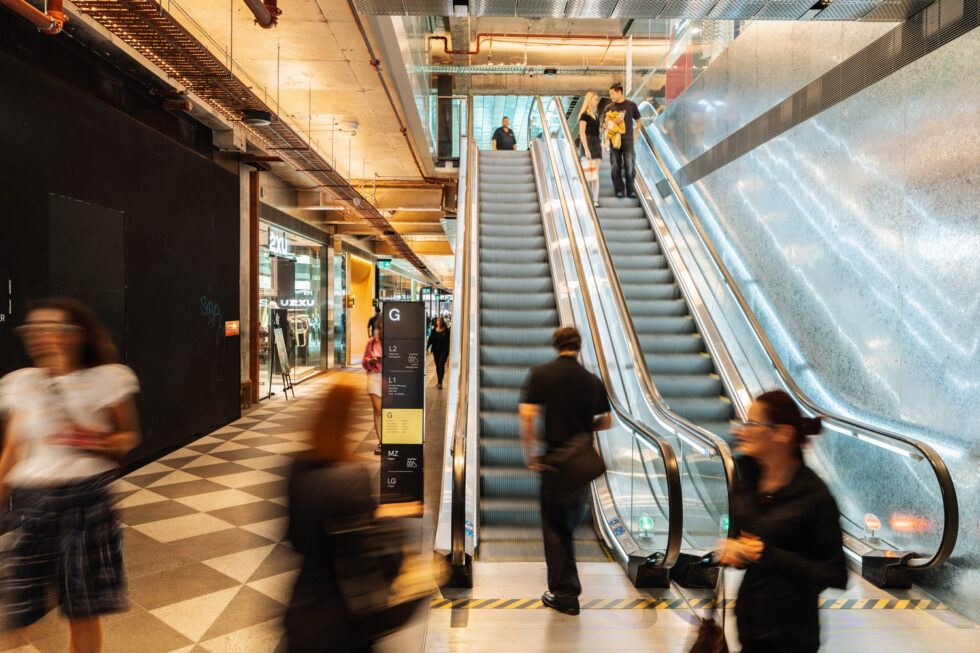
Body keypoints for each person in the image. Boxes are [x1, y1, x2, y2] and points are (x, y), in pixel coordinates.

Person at [0, 298, 140, 651]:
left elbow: (128, 437)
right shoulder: (21, 384)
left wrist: (97, 439)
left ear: (77, 335)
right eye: (34, 329)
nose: (43, 337)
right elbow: (12, 451)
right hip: (34, 505)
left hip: (86, 502)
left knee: (82, 606)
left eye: (55, 329)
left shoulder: (106, 379)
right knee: (17, 607)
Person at [284, 373, 422, 653]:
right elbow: (370, 553)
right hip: (342, 622)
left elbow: (296, 537)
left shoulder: (297, 468)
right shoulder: (351, 477)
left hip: (302, 609)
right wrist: (392, 522)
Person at [719, 390, 847, 653]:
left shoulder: (814, 496)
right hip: (748, 633)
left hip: (793, 639)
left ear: (784, 433)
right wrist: (734, 551)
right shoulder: (746, 479)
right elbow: (742, 538)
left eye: (754, 424)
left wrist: (769, 555)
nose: (743, 431)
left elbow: (835, 575)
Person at [519, 327, 611, 616]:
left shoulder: (541, 374)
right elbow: (606, 421)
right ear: (579, 347)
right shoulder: (591, 380)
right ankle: (566, 587)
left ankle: (565, 594)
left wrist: (531, 450)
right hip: (581, 463)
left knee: (555, 529)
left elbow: (527, 415)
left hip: (555, 462)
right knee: (567, 526)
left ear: (556, 345)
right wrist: (584, 427)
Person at [603, 81, 642, 199]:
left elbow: (639, 121)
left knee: (629, 165)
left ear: (619, 92)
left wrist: (636, 135)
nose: (611, 97)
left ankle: (631, 190)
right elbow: (604, 125)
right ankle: (619, 190)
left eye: (612, 94)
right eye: (610, 95)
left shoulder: (631, 105)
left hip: (628, 140)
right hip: (614, 140)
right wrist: (615, 122)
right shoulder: (609, 108)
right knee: (615, 165)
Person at [578, 91, 602, 206]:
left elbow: (596, 132)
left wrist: (601, 142)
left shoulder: (596, 115)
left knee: (595, 174)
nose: (597, 101)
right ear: (589, 100)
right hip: (587, 144)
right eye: (595, 99)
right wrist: (586, 149)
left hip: (596, 144)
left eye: (597, 99)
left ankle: (595, 200)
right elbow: (582, 133)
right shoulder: (584, 115)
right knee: (587, 174)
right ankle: (585, 199)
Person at [362, 322, 383, 455]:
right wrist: (371, 361)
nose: (380, 330)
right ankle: (381, 441)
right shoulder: (371, 342)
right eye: (379, 328)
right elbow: (364, 361)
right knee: (378, 409)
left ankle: (391, 438)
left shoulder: (393, 342)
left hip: (389, 377)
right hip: (374, 376)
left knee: (389, 409)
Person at [426, 317, 450, 390]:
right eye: (438, 321)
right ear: (436, 322)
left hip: (444, 351)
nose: (439, 322)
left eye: (440, 320)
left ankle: (440, 382)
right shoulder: (434, 330)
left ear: (443, 322)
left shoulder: (446, 331)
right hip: (436, 351)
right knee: (437, 366)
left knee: (441, 365)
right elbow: (430, 339)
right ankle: (439, 381)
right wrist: (427, 348)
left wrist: (449, 355)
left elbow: (449, 342)